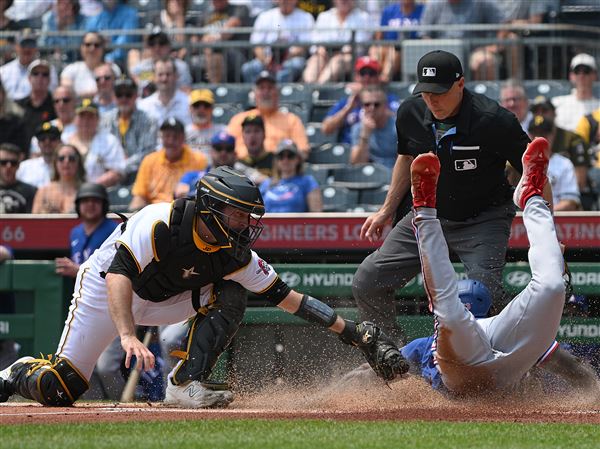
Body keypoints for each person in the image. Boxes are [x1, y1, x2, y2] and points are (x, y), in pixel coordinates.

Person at [0, 165, 407, 408]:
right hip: (106, 291)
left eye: (250, 216)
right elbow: (119, 274)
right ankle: (16, 372)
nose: (246, 225)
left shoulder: (234, 255)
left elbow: (289, 299)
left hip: (167, 298)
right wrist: (126, 335)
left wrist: (355, 335)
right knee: (62, 388)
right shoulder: (160, 220)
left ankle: (183, 383)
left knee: (231, 292)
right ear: (211, 209)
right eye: (238, 215)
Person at [353, 50, 541, 343]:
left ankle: (512, 355)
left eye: (439, 92)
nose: (432, 100)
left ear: (460, 84)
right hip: (427, 216)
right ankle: (394, 358)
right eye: (426, 92)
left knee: (484, 292)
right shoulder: (410, 112)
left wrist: (547, 230)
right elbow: (406, 158)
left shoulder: (493, 119)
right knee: (368, 279)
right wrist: (386, 210)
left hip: (483, 218)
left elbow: (533, 169)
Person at [397, 139, 599, 395]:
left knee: (548, 288)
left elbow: (569, 366)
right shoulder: (427, 344)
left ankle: (528, 194)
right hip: (484, 359)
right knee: (551, 287)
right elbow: (574, 369)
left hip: (486, 351)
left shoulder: (431, 341)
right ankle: (426, 208)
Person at [226, 71, 309, 159]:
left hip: (278, 168)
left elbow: (303, 151)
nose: (266, 92)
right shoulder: (240, 119)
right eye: (261, 88)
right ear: (254, 93)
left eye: (270, 88)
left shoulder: (292, 120)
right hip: (243, 168)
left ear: (277, 92)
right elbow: (226, 149)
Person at [129, 117, 207, 210]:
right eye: (167, 136)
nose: (171, 141)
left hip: (185, 211)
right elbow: (140, 195)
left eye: (175, 137)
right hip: (155, 211)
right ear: (161, 137)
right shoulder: (149, 160)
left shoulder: (198, 160)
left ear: (183, 138)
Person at [322, 56, 399, 145]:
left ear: (378, 76)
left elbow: (402, 122)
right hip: (350, 151)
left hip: (381, 150)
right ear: (356, 77)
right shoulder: (347, 101)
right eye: (363, 73)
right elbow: (326, 129)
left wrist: (381, 109)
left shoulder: (388, 99)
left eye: (371, 73)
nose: (367, 77)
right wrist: (348, 108)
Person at [242, 0, 314, 83]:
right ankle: (255, 94)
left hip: (290, 58)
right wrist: (266, 60)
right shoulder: (265, 16)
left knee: (292, 66)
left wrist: (283, 59)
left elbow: (304, 46)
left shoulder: (306, 17)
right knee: (249, 68)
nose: (285, 1)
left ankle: (280, 94)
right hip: (267, 58)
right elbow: (256, 44)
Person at [56, 182, 118, 278]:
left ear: (104, 205)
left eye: (95, 201)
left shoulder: (115, 231)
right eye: (85, 201)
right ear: (78, 206)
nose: (90, 205)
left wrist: (79, 271)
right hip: (80, 291)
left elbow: (116, 272)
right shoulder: (75, 232)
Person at [100, 78, 158, 178]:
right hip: (109, 173)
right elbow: (101, 149)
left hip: (139, 174)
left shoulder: (148, 120)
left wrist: (120, 167)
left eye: (128, 95)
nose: (124, 99)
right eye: (119, 95)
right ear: (114, 97)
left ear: (136, 96)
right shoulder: (105, 119)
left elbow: (146, 153)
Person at [302, 0, 371, 84]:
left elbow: (360, 44)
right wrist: (321, 50)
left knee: (337, 61)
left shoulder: (363, 17)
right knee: (315, 61)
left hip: (350, 57)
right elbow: (315, 43)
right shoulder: (324, 16)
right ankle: (309, 87)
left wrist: (337, 52)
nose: (343, 1)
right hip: (324, 55)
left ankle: (319, 88)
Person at [68, 99, 126, 187]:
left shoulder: (109, 141)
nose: (86, 121)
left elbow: (117, 171)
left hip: (101, 192)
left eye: (90, 117)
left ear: (98, 119)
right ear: (74, 119)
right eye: (82, 116)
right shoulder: (65, 141)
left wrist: (90, 188)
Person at [528, 115, 581, 211]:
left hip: (555, 220)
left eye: (544, 134)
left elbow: (570, 201)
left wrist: (543, 214)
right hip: (524, 220)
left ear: (552, 135)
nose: (539, 138)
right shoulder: (519, 163)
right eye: (535, 134)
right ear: (529, 135)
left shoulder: (564, 164)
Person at [368, 0, 424, 83]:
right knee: (374, 50)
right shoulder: (389, 11)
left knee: (395, 52)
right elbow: (380, 36)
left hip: (411, 51)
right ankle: (371, 76)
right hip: (388, 47)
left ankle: (384, 77)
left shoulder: (422, 10)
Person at [260, 140, 323, 213]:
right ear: (276, 160)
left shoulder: (308, 182)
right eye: (281, 156)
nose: (285, 160)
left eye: (290, 156)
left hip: (298, 224)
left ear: (298, 159)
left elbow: (316, 215)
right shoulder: (266, 184)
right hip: (268, 224)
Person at [201, 0, 252, 83]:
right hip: (208, 51)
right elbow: (199, 37)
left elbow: (230, 28)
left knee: (216, 49)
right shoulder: (206, 14)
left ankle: (216, 88)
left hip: (234, 51)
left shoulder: (240, 8)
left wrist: (214, 37)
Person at [174, 131, 237, 199]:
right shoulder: (193, 176)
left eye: (228, 149)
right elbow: (179, 193)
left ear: (235, 153)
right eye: (218, 148)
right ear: (211, 152)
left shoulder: (242, 177)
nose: (223, 153)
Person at [129, 28, 193, 93]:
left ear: (169, 45)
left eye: (161, 43)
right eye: (152, 44)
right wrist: (152, 77)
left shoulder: (180, 67)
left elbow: (186, 90)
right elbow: (133, 76)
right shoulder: (142, 67)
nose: (157, 48)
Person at [60, 32, 122, 98]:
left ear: (103, 48)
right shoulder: (70, 69)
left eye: (96, 45)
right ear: (81, 47)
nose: (92, 48)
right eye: (88, 44)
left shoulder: (113, 68)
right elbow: (67, 92)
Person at [0, 31, 58, 101]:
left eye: (31, 44)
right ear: (16, 47)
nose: (27, 49)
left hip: (37, 109)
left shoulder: (48, 69)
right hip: (9, 109)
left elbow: (51, 93)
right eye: (23, 44)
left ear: (36, 47)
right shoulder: (3, 71)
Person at [350, 86, 398, 169]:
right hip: (370, 176)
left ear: (385, 106)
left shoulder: (398, 127)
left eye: (377, 104)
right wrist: (365, 136)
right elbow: (357, 165)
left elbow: (403, 161)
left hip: (392, 173)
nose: (371, 108)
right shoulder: (358, 128)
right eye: (367, 104)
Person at [16, 59, 57, 153]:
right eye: (36, 73)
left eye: (45, 74)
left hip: (47, 156)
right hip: (20, 157)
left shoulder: (57, 104)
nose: (40, 77)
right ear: (29, 78)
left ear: (50, 79)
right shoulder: (18, 105)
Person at [137, 58, 192, 128]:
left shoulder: (189, 103)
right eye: (160, 74)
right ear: (153, 77)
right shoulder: (143, 106)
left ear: (176, 76)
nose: (164, 79)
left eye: (168, 74)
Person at [31, 144, 86, 214]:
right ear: (55, 163)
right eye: (61, 158)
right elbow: (34, 220)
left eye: (71, 159)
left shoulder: (86, 191)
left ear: (78, 163)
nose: (66, 161)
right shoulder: (43, 192)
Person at [552, 53, 600, 132]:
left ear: (594, 75)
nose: (581, 75)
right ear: (571, 76)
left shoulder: (599, 106)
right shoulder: (556, 104)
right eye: (577, 71)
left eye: (586, 71)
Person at [84, 0, 138, 66]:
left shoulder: (130, 14)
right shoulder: (95, 18)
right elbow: (88, 41)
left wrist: (107, 58)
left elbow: (123, 45)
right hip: (98, 61)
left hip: (122, 63)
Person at [39, 0, 87, 64]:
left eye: (67, 4)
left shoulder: (82, 20)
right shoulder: (49, 18)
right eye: (60, 3)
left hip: (75, 61)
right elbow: (42, 44)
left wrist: (70, 23)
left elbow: (77, 45)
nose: (62, 7)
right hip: (52, 59)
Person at [17, 122, 61, 188]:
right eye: (42, 139)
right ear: (38, 143)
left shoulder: (66, 165)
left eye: (52, 139)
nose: (47, 142)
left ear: (59, 142)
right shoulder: (24, 167)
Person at [185, 88, 225, 158]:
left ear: (212, 108)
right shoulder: (183, 132)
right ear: (190, 109)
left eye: (206, 105)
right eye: (196, 105)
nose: (201, 110)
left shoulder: (223, 131)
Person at [236, 114, 274, 184]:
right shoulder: (239, 164)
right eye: (248, 131)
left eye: (256, 131)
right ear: (243, 136)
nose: (252, 136)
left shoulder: (276, 161)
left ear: (264, 134)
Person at [0, 143, 36, 214]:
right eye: (3, 162)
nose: (8, 166)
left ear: (19, 165)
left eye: (13, 163)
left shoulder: (31, 191)